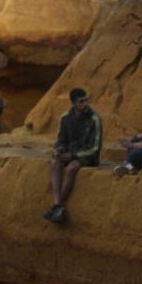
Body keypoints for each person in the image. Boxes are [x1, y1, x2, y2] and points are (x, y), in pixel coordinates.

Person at [45, 88, 102, 223]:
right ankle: (58, 206)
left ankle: (56, 206)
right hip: (69, 152)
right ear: (73, 103)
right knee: (55, 162)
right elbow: (60, 139)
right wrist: (59, 149)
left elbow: (95, 147)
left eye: (86, 100)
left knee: (71, 168)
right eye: (81, 101)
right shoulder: (65, 118)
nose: (86, 104)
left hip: (87, 156)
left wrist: (73, 155)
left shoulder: (95, 119)